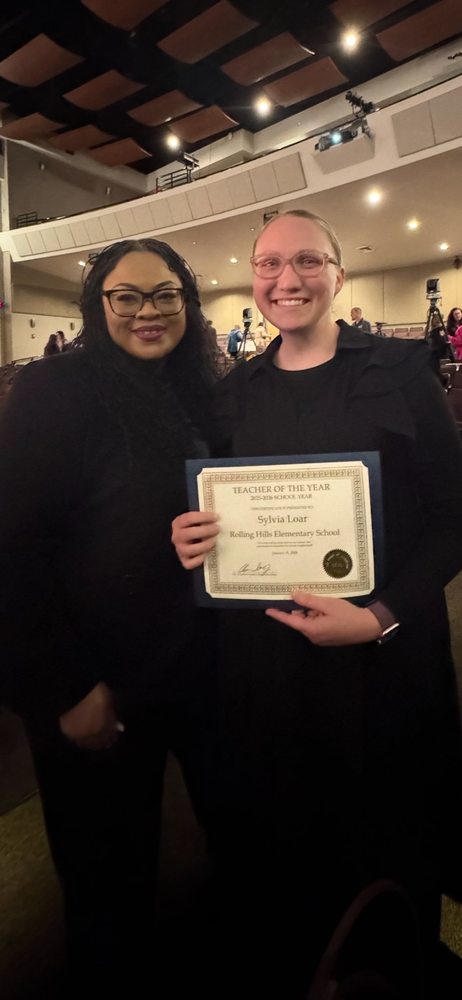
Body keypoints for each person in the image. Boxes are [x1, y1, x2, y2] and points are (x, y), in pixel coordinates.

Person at [172, 210, 462, 997]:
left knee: (394, 839)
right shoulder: (233, 394)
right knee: (293, 847)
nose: (285, 280)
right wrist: (194, 538)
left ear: (337, 272)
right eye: (268, 265)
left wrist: (380, 615)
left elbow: (453, 515)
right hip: (273, 675)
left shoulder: (401, 371)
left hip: (386, 663)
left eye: (306, 261)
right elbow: (225, 517)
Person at [0, 238, 217, 994]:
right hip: (96, 685)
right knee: (106, 886)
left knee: (185, 859)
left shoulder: (196, 387)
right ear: (98, 305)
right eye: (126, 296)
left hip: (187, 667)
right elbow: (12, 550)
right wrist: (64, 686)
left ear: (187, 302)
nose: (147, 311)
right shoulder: (54, 389)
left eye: (165, 295)